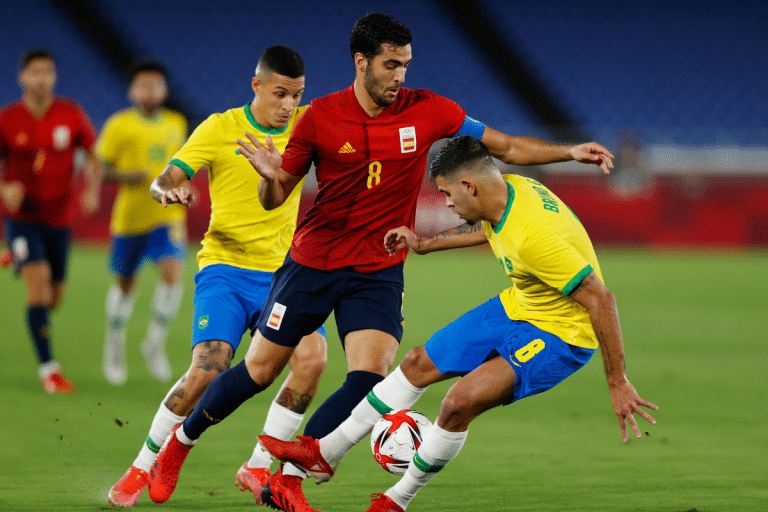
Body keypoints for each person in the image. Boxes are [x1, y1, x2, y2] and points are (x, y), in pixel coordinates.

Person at [148, 13, 615, 512]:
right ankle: (180, 444)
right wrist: (269, 177)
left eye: (406, 65)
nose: (400, 76)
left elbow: (504, 147)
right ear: (361, 61)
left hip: (377, 268)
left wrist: (570, 151)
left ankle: (286, 478)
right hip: (314, 263)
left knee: (372, 378)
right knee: (259, 371)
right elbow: (274, 196)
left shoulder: (431, 110)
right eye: (390, 65)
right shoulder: (320, 117)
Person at [259, 135, 659, 511]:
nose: (446, 203)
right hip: (520, 306)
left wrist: (618, 381)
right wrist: (426, 243)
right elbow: (490, 227)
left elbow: (602, 301)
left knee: (456, 404)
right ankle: (325, 454)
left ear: (469, 186)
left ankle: (396, 499)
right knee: (417, 363)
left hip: (561, 335)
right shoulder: (510, 190)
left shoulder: (535, 236)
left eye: (448, 194)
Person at [107, 45, 327, 507]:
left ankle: (257, 466)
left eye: (297, 95)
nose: (289, 104)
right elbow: (163, 178)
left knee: (312, 359)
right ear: (257, 85)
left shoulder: (309, 126)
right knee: (209, 367)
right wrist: (167, 192)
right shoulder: (220, 127)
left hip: (285, 275)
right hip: (225, 268)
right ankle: (143, 465)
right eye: (281, 93)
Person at [0, 48, 103, 394]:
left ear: (54, 78)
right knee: (39, 288)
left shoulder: (70, 114)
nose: (41, 79)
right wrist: (5, 187)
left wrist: (91, 188)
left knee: (54, 299)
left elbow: (93, 154)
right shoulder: (8, 118)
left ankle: (18, 256)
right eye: (35, 72)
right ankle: (50, 370)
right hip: (22, 217)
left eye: (47, 73)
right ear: (22, 77)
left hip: (58, 220)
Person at [98, 60, 188, 385]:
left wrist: (183, 187)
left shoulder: (177, 123)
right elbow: (100, 168)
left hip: (167, 216)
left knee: (173, 278)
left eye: (156, 84)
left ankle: (153, 343)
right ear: (132, 91)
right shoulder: (119, 125)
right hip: (130, 220)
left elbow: (183, 166)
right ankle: (115, 345)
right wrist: (126, 176)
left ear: (164, 90)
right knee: (125, 285)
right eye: (143, 85)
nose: (150, 90)